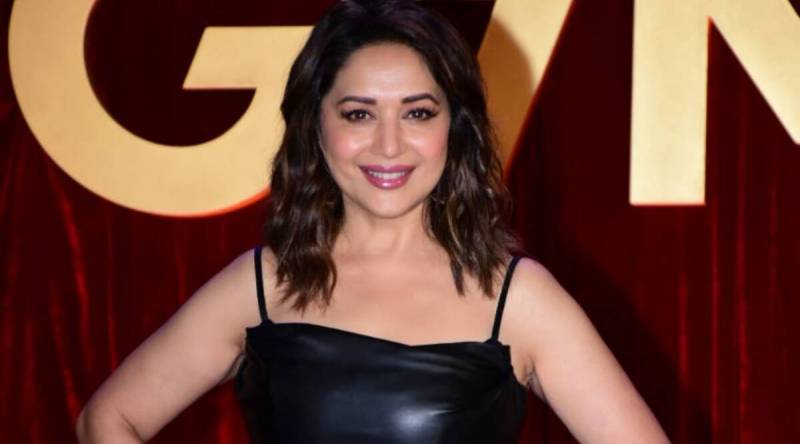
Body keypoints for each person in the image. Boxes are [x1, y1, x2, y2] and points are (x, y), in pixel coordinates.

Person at [76, 0, 670, 442]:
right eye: (359, 114)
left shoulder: (516, 299)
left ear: (454, 129)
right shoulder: (262, 285)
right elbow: (109, 419)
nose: (389, 146)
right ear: (316, 126)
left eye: (418, 113)